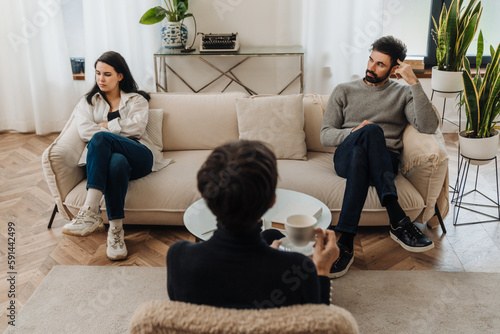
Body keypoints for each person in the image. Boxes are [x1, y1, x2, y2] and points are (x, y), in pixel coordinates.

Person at [166, 140, 339, 309]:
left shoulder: (178, 257)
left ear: (209, 201)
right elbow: (320, 325)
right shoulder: (299, 270)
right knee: (272, 235)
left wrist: (271, 256)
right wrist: (322, 270)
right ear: (272, 201)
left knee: (270, 235)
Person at [320, 36, 439, 279]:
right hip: (346, 155)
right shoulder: (344, 90)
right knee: (369, 132)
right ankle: (397, 218)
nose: (371, 68)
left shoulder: (403, 93)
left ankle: (346, 240)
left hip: (384, 161)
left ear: (395, 68)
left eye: (380, 65)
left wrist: (415, 83)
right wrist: (353, 133)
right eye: (371, 60)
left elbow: (428, 126)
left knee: (371, 134)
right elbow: (325, 135)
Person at [62, 51, 167, 261]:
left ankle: (90, 211)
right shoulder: (87, 102)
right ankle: (116, 232)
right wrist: (117, 130)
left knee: (101, 138)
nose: (101, 79)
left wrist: (105, 127)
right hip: (111, 162)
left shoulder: (137, 100)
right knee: (115, 162)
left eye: (107, 74)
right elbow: (84, 132)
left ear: (120, 76)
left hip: (140, 155)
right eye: (98, 73)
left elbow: (136, 129)